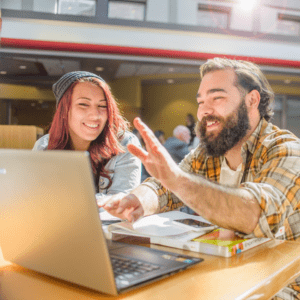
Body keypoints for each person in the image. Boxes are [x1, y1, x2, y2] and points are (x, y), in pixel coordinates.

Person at [99, 58, 300, 299]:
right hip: (225, 276)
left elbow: (258, 213)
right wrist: (137, 199)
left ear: (252, 100)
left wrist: (177, 180)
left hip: (281, 288)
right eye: (201, 101)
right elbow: (165, 188)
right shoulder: (207, 154)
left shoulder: (286, 149)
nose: (204, 110)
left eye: (217, 98)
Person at [33, 71, 141, 200]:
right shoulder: (44, 146)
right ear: (64, 110)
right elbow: (36, 198)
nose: (95, 115)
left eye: (102, 106)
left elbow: (121, 200)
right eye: (83, 104)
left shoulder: (125, 143)